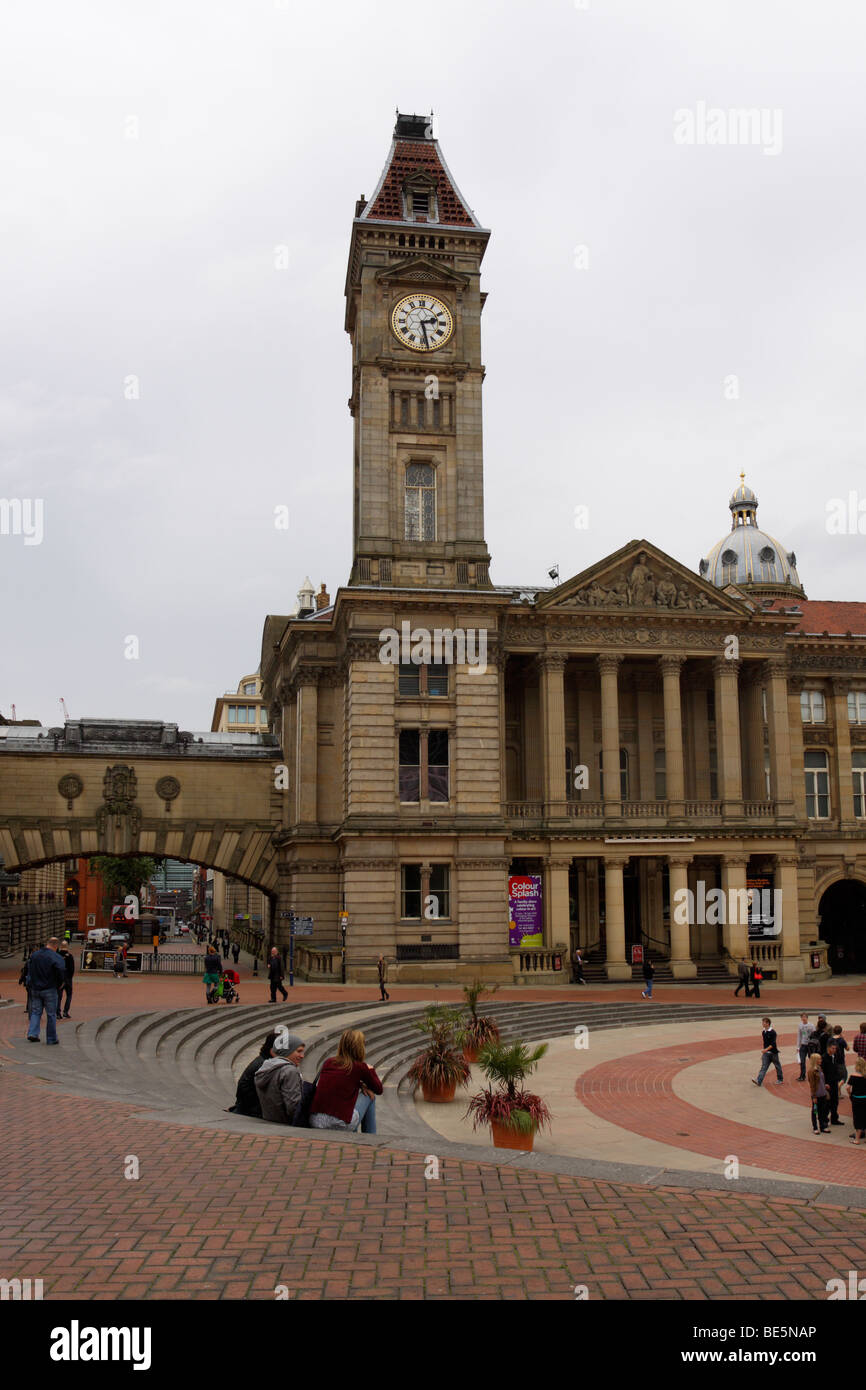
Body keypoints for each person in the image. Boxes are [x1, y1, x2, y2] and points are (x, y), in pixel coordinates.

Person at [309, 1029, 382, 1133]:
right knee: (370, 1096)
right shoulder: (361, 1067)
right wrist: (371, 1070)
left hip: (315, 1121)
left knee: (349, 1104)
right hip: (340, 1124)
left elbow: (341, 1080)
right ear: (360, 1047)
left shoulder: (328, 1062)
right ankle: (370, 1137)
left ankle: (354, 1134)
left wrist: (359, 1084)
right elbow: (379, 1089)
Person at [254, 1033, 306, 1123]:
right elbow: (294, 1107)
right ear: (287, 1051)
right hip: (286, 1124)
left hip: (270, 1120)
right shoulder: (290, 1071)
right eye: (299, 1051)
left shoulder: (266, 1067)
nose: (302, 1056)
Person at [228, 1030, 279, 1117]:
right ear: (272, 1051)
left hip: (246, 1106)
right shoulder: (265, 1065)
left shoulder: (263, 1060)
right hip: (250, 1109)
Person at [25, 937, 65, 1045]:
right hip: (49, 988)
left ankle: (32, 1033)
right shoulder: (56, 957)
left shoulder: (35, 955)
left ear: (47, 943)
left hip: (35, 988)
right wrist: (61, 982)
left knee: (36, 1011)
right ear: (56, 946)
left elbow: (29, 969)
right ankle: (51, 1038)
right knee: (51, 1014)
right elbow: (61, 969)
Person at [752, 1017, 783, 1086]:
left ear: (768, 1023)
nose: (762, 1024)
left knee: (777, 1066)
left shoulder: (773, 1032)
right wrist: (764, 1052)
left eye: (764, 1022)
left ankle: (780, 1079)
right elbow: (765, 1043)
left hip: (773, 1053)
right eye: (762, 1022)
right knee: (764, 1067)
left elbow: (773, 1044)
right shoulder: (763, 1032)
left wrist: (765, 1050)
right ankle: (759, 1081)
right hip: (766, 1053)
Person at [807, 1053, 831, 1134]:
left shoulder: (819, 1068)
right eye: (819, 1059)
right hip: (816, 1094)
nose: (821, 1060)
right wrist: (814, 1096)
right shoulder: (811, 1071)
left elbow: (821, 1080)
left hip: (823, 1092)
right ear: (815, 1060)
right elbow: (812, 1084)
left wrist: (825, 1085)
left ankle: (822, 1126)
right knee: (815, 1111)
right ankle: (815, 1127)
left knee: (822, 1111)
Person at [822, 1042, 844, 1125]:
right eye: (833, 1048)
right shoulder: (824, 1058)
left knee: (835, 1102)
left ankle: (834, 1119)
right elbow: (823, 1072)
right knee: (827, 1103)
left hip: (834, 1083)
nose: (834, 1050)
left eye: (835, 1049)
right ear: (828, 1048)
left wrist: (839, 1078)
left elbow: (836, 1069)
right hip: (828, 1084)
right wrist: (824, 1083)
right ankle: (824, 1120)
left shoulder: (835, 1057)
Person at [847, 1058, 866, 1145]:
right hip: (865, 1098)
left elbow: (848, 1087)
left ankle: (857, 1139)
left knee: (857, 1117)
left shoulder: (853, 1076)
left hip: (856, 1099)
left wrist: (850, 1094)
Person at [57, 943, 75, 1018]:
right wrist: (69, 977)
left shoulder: (57, 955)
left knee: (59, 996)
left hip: (60, 978)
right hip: (68, 978)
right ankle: (65, 1011)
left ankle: (58, 1013)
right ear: (67, 946)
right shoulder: (70, 956)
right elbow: (72, 969)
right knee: (69, 995)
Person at [796, 1014, 814, 1081]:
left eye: (805, 1017)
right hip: (803, 1045)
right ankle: (802, 1075)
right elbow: (799, 1035)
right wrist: (798, 1046)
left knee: (812, 1061)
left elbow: (814, 1034)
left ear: (807, 1018)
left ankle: (813, 1074)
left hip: (810, 1045)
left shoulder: (811, 1025)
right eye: (802, 1017)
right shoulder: (800, 1025)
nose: (803, 1018)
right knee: (802, 1061)